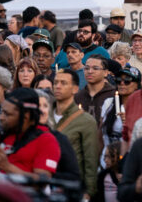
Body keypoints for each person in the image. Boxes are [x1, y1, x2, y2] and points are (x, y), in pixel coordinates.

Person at [0, 87, 62, 184]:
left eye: (7, 114)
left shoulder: (46, 140)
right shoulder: (0, 136)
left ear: (25, 116)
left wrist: (7, 167)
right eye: (2, 112)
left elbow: (42, 182)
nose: (1, 118)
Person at [53, 69, 99, 198]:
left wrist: (88, 192)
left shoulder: (86, 121)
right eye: (55, 82)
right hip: (46, 183)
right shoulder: (45, 117)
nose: (57, 86)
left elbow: (91, 159)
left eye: (63, 83)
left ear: (74, 89)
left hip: (72, 187)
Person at [75, 56, 115, 125]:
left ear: (105, 72)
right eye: (87, 68)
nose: (90, 71)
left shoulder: (113, 95)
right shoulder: (78, 96)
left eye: (95, 68)